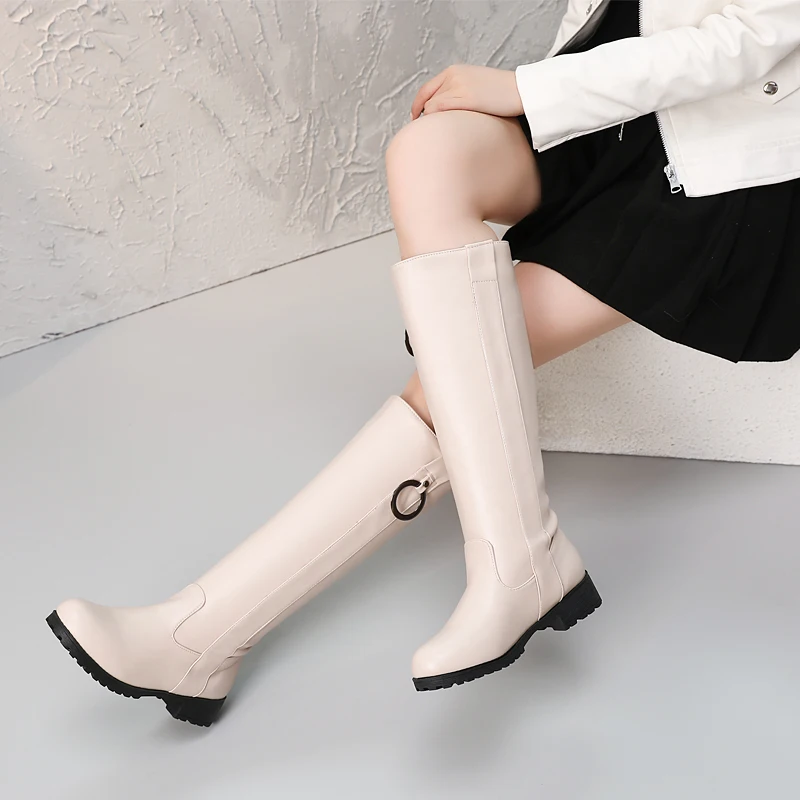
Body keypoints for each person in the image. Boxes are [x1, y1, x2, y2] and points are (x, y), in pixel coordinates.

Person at [46, 0, 800, 726]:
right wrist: (546, 91)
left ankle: (199, 636)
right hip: (602, 120)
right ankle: (523, 558)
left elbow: (758, 34)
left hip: (722, 164)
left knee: (458, 369)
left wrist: (525, 89)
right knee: (426, 153)